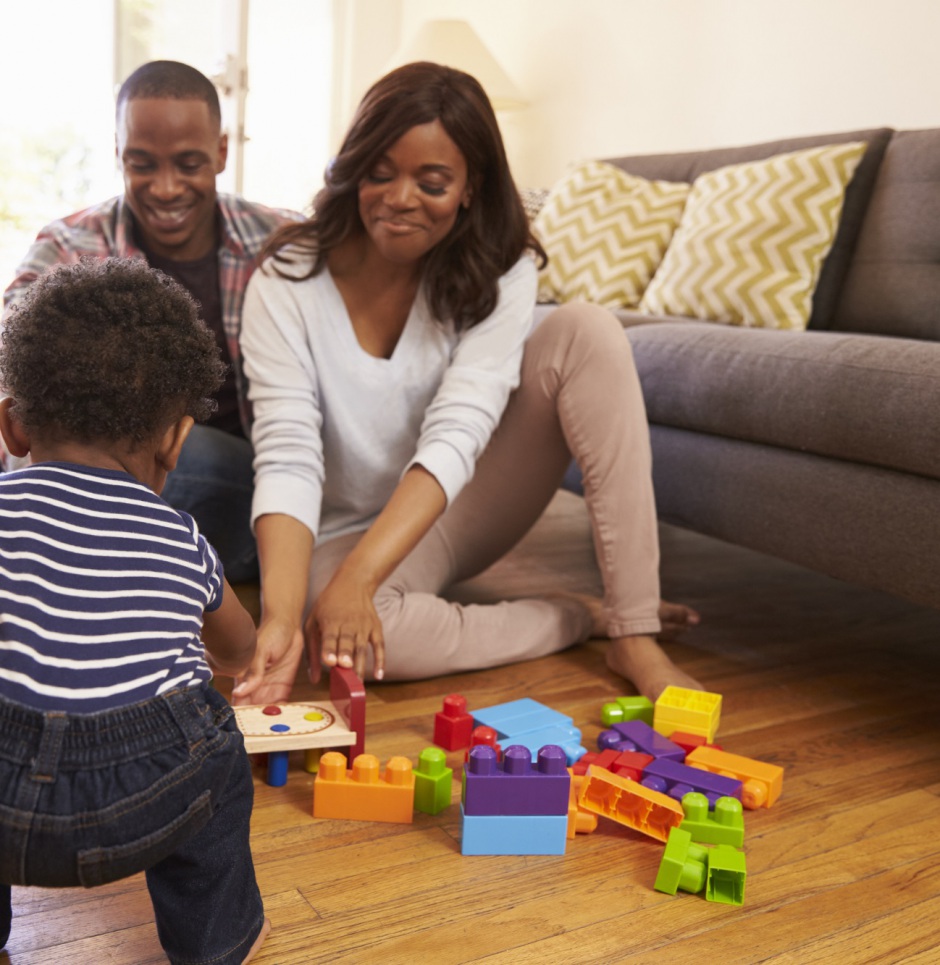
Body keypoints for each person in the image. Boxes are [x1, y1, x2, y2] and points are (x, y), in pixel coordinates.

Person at [238, 61, 701, 706]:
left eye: (431, 182)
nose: (400, 198)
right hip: (343, 528)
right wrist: (282, 617)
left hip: (462, 504)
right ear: (353, 167)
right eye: (380, 171)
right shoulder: (284, 281)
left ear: (468, 187)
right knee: (352, 644)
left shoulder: (500, 270)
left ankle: (633, 628)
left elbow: (459, 431)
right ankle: (570, 617)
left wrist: (363, 580)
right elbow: (287, 455)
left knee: (588, 331)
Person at [0, 259, 269, 964]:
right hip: (143, 794)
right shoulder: (180, 535)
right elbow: (238, 648)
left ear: (12, 426)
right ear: (175, 441)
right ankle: (217, 940)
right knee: (214, 737)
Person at [1, 59, 303, 582]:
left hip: (228, 468)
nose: (165, 189)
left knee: (158, 458)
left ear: (222, 152)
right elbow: (12, 369)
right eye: (142, 164)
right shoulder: (71, 247)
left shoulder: (280, 241)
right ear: (119, 152)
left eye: (189, 164)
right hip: (109, 467)